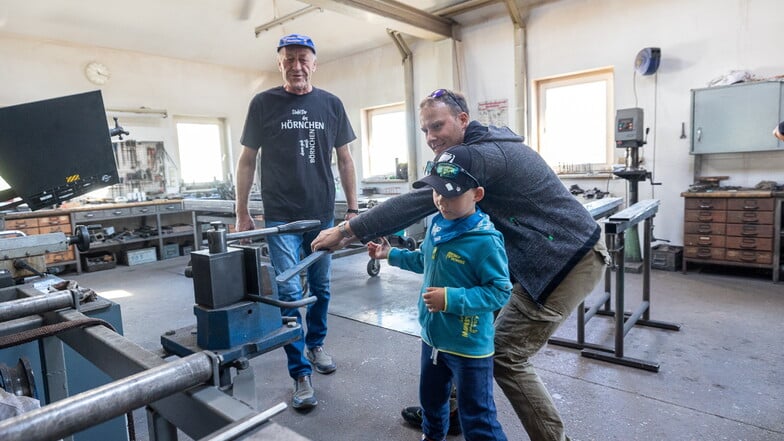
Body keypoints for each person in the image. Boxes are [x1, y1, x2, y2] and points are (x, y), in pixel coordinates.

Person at [312, 89, 610, 440]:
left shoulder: (475, 155)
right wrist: (391, 252)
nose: (431, 137)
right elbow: (430, 205)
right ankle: (450, 411)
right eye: (425, 130)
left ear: (463, 120)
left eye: (437, 126)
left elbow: (420, 201)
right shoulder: (480, 149)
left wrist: (347, 228)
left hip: (564, 260)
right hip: (537, 254)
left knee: (505, 355)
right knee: (469, 328)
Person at [235, 33, 359, 410]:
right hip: (280, 217)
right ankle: (300, 372)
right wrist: (241, 210)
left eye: (303, 58)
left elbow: (345, 160)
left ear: (314, 63)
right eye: (289, 59)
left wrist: (351, 212)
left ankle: (316, 343)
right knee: (289, 294)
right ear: (280, 64)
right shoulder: (263, 103)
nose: (297, 65)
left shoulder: (331, 104)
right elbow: (246, 160)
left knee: (320, 288)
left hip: (321, 215)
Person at [367, 146, 512, 441]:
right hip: (432, 340)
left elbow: (499, 291)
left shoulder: (484, 242)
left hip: (469, 347)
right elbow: (424, 259)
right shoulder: (438, 226)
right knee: (432, 403)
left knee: (478, 417)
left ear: (477, 195)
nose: (441, 201)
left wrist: (451, 299)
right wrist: (390, 254)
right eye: (437, 193)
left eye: (451, 194)